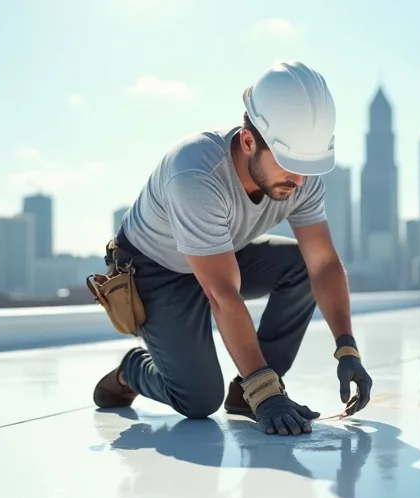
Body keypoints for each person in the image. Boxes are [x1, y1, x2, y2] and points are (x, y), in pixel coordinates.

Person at [91, 61, 373, 435]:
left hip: (222, 254)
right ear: (248, 142)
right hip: (156, 270)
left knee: (302, 266)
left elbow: (322, 263)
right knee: (198, 401)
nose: (299, 179)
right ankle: (134, 369)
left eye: (307, 166)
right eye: (288, 164)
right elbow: (222, 293)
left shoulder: (301, 176)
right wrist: (265, 393)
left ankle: (247, 392)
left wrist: (347, 346)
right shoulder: (195, 174)